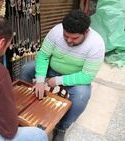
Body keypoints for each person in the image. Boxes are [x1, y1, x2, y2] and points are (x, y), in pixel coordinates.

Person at [19, 10, 105, 141]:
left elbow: (87, 75)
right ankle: (23, 107)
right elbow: (43, 55)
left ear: (86, 32)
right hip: (51, 68)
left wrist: (58, 80)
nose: (69, 41)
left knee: (82, 95)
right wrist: (41, 81)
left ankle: (61, 128)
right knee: (27, 68)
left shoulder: (97, 44)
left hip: (73, 76)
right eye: (66, 36)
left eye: (75, 38)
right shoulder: (56, 32)